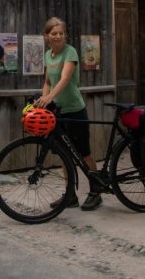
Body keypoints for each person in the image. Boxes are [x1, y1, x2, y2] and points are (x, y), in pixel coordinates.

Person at [34, 17, 102, 211]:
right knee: (64, 154)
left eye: (60, 33)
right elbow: (48, 82)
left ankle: (96, 191)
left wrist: (49, 98)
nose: (57, 37)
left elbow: (64, 79)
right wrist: (44, 100)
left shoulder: (70, 52)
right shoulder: (48, 55)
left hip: (75, 110)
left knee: (84, 152)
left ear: (65, 35)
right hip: (59, 112)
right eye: (53, 33)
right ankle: (70, 194)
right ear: (46, 36)